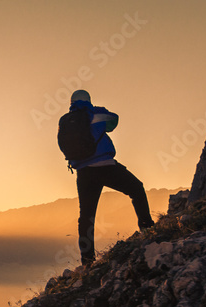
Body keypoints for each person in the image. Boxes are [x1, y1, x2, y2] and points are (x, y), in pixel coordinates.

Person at [66, 89, 154, 266]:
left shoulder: (67, 121)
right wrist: (95, 108)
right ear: (88, 100)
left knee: (86, 216)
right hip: (105, 166)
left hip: (84, 172)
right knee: (136, 188)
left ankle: (87, 261)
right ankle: (148, 229)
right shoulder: (95, 114)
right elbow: (114, 121)